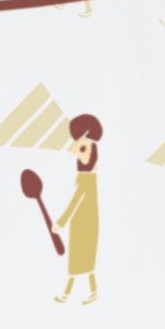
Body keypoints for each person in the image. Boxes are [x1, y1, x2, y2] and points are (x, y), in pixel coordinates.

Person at [55, 113, 103, 304]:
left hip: (85, 221)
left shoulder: (87, 179)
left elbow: (76, 200)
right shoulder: (85, 178)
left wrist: (61, 222)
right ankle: (90, 291)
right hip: (83, 221)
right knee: (81, 261)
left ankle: (70, 293)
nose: (75, 152)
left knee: (80, 261)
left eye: (81, 148)